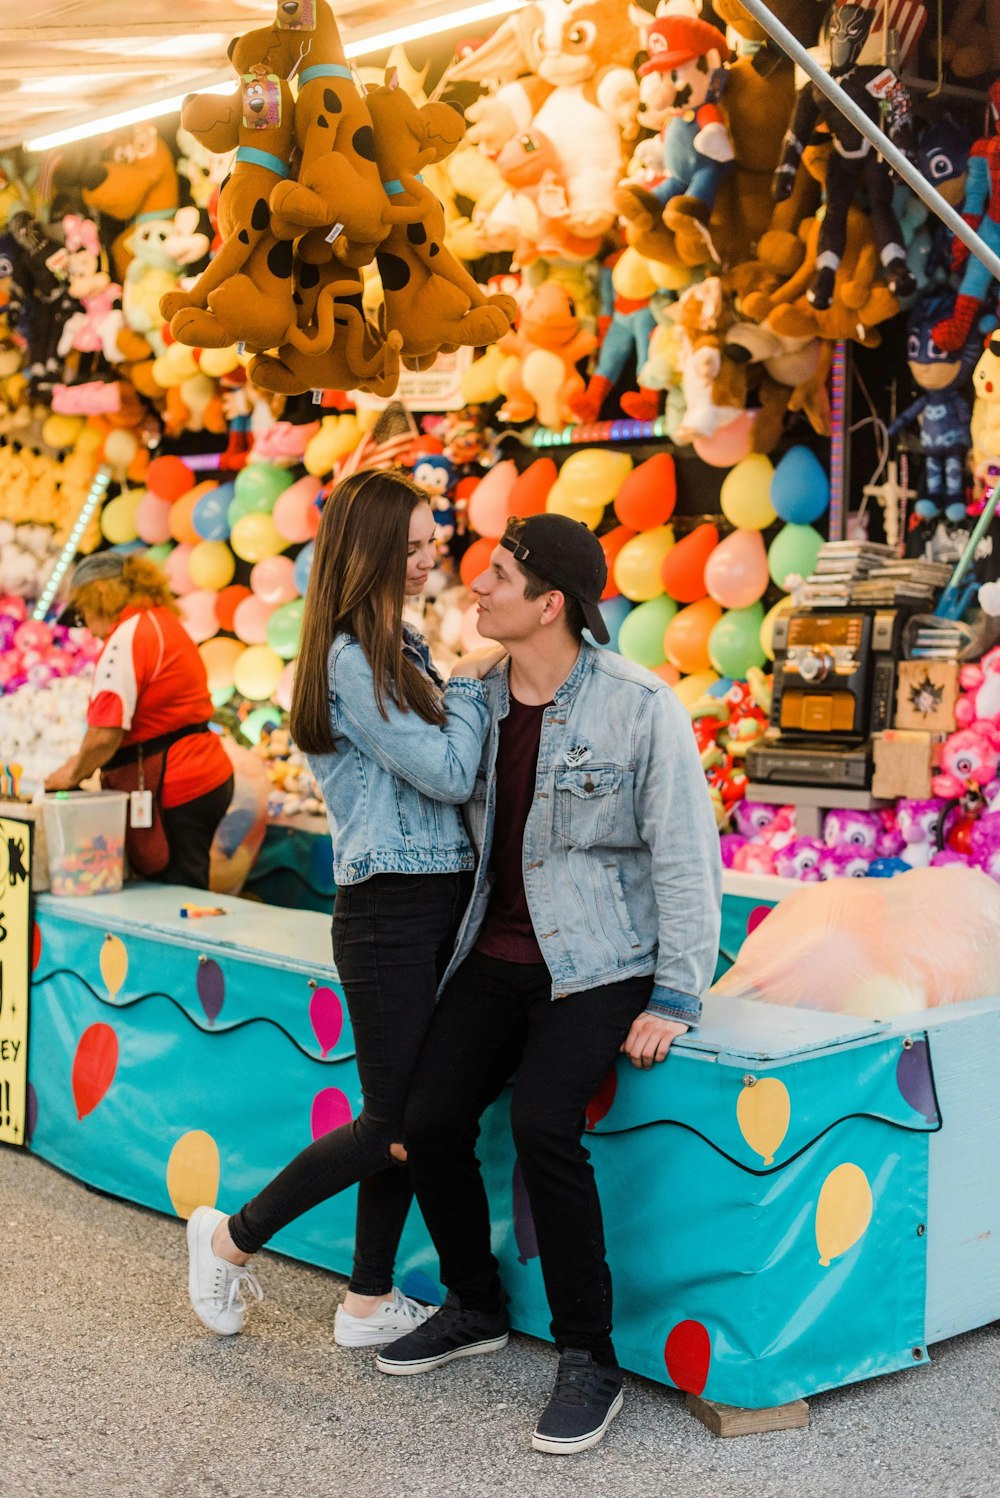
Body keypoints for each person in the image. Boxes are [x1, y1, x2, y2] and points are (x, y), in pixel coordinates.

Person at [376, 512, 722, 1456]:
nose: (474, 589)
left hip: (601, 960)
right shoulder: (475, 694)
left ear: (549, 602)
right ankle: (475, 1304)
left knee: (539, 1123)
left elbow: (688, 857)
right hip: (492, 955)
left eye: (495, 577)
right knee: (427, 1116)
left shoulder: (640, 705)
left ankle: (589, 1355)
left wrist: (674, 997)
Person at [184, 468, 503, 1348]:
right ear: (364, 555)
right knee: (396, 1119)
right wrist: (475, 688)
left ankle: (366, 1298)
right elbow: (443, 771)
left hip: (433, 903)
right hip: (387, 910)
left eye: (430, 539)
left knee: (418, 1114)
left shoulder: (395, 645)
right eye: (409, 546)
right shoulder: (348, 660)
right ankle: (228, 1239)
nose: (429, 555)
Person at [45, 552, 234, 888]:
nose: (86, 626)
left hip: (175, 781)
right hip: (199, 773)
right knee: (183, 888)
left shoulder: (129, 634)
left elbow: (105, 734)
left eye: (81, 613)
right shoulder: (159, 622)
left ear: (100, 594)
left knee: (174, 898)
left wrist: (71, 775)